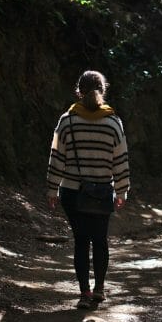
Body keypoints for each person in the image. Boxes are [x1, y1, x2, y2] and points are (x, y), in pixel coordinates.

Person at [47, 70, 130, 308]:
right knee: (100, 239)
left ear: (79, 92)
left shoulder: (67, 120)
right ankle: (99, 290)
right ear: (103, 91)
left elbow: (56, 158)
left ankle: (84, 293)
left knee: (81, 240)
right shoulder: (113, 122)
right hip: (102, 191)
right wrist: (122, 190)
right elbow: (121, 160)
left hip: (72, 191)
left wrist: (52, 189)